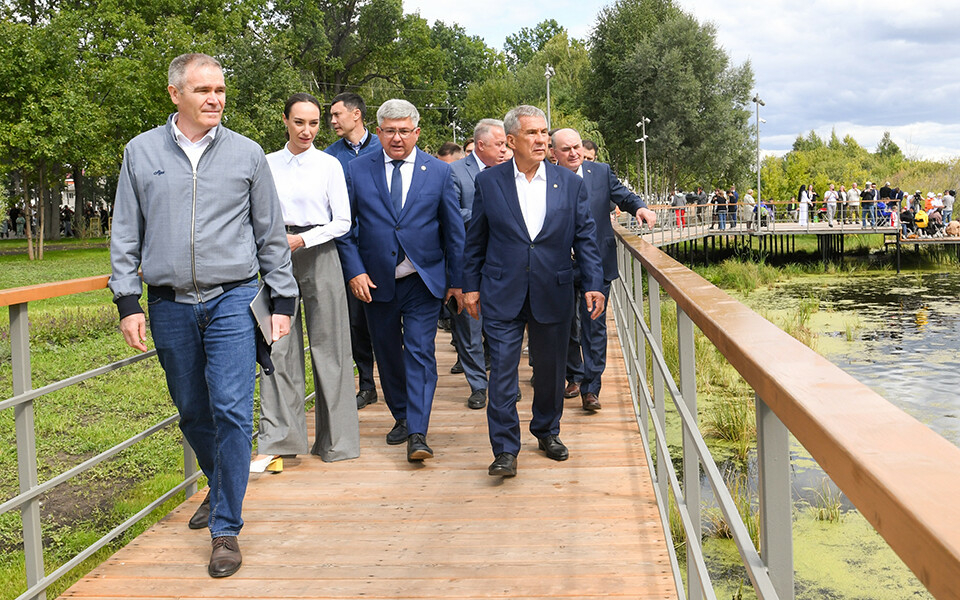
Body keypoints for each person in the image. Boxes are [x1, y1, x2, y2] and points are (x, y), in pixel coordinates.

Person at [108, 53, 298, 578]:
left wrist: (282, 301)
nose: (214, 98)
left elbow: (269, 232)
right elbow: (125, 231)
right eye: (202, 90)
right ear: (175, 94)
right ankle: (221, 486)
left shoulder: (247, 154)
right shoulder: (141, 152)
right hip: (168, 303)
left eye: (219, 89)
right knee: (192, 409)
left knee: (234, 411)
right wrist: (128, 300)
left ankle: (226, 529)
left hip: (233, 299)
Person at [462, 106, 604, 478]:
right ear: (511, 140)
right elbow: (474, 240)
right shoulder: (489, 183)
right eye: (532, 133)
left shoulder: (570, 183)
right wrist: (470, 288)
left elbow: (585, 237)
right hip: (501, 291)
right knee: (503, 376)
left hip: (553, 289)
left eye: (544, 132)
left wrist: (592, 283)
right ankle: (505, 449)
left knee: (551, 372)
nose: (542, 139)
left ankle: (547, 430)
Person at [338, 99, 465, 462]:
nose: (397, 138)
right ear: (378, 132)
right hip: (375, 281)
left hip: (422, 280)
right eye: (390, 131)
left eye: (405, 131)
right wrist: (355, 271)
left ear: (417, 133)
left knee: (422, 352)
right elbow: (345, 229)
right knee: (388, 353)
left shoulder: (438, 172)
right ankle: (401, 416)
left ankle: (418, 432)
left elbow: (454, 231)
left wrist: (456, 281)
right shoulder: (358, 170)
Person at [260, 93, 359, 463]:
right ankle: (282, 442)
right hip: (276, 256)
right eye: (299, 122)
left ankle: (337, 442)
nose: (307, 130)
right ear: (285, 120)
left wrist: (303, 238)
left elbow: (342, 221)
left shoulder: (330, 165)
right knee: (278, 347)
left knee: (330, 346)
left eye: (314, 123)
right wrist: (275, 244)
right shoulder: (266, 163)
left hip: (319, 252)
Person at [551, 127, 655, 412]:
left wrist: (640, 209)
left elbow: (624, 195)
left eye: (576, 148)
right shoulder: (547, 178)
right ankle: (575, 373)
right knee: (565, 325)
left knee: (594, 326)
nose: (574, 153)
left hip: (597, 262)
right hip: (558, 265)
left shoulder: (600, 172)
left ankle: (590, 388)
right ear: (553, 153)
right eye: (566, 149)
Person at [324, 92, 382, 411]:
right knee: (356, 322)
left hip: (387, 251)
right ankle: (368, 384)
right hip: (349, 251)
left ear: (356, 114)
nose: (332, 121)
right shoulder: (329, 157)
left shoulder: (384, 148)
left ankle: (401, 382)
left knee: (388, 320)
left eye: (336, 115)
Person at [449, 118, 509, 410]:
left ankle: (501, 383)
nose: (504, 149)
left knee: (500, 329)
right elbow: (450, 214)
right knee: (470, 330)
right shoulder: (455, 172)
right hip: (467, 262)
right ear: (481, 144)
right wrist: (487, 215)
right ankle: (478, 386)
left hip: (502, 264)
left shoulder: (510, 171)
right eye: (499, 144)